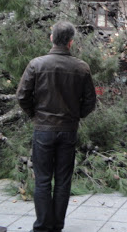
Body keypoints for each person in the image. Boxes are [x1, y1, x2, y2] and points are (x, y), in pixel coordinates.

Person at [16, 21, 96, 232]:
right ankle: (56, 226)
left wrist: (35, 115)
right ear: (71, 42)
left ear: (51, 38)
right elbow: (90, 102)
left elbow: (22, 96)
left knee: (42, 180)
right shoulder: (81, 67)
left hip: (43, 129)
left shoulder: (36, 64)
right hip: (68, 130)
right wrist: (75, 117)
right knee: (63, 180)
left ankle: (42, 227)